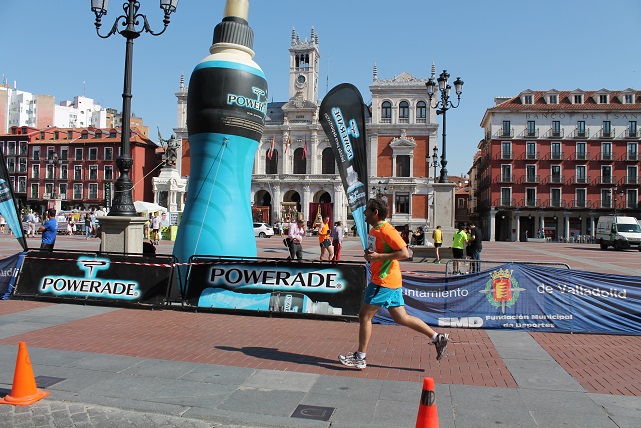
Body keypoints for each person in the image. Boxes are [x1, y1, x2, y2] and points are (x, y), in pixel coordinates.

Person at [339, 198, 450, 370]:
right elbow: (376, 252)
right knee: (401, 317)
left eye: (367, 210)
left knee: (365, 316)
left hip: (383, 280)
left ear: (375, 213)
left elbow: (405, 253)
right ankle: (437, 337)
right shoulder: (374, 230)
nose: (364, 213)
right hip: (389, 280)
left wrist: (379, 257)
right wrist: (370, 255)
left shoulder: (387, 230)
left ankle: (360, 357)